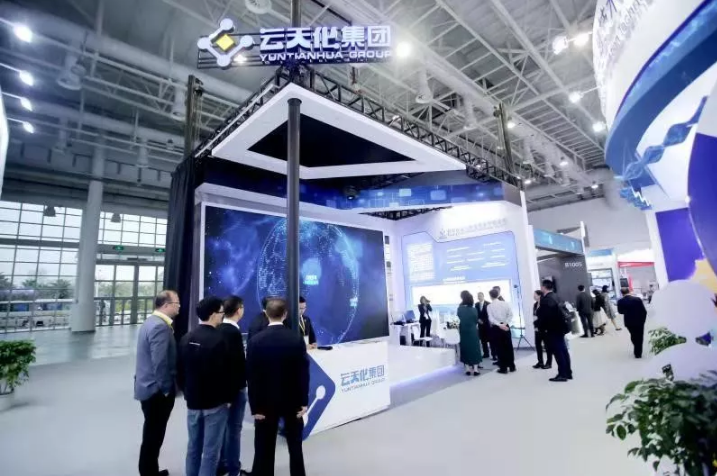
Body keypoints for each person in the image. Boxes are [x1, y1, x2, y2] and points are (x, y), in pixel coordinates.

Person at [247, 298, 309, 476]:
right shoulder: (296, 339)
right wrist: (303, 402)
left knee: (264, 447)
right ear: (285, 314)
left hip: (264, 403)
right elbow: (303, 373)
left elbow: (252, 376)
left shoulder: (255, 341)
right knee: (295, 446)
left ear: (266, 314)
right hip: (292, 401)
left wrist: (255, 407)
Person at [178, 297, 231, 476]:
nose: (222, 316)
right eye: (221, 312)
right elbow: (224, 374)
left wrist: (187, 392)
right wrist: (228, 398)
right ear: (214, 314)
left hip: (193, 402)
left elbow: (180, 371)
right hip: (215, 404)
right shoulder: (220, 340)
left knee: (193, 447)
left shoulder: (186, 338)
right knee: (210, 451)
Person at [135, 290, 181, 476]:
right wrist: (166, 389)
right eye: (177, 303)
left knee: (152, 434)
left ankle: (150, 471)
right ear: (166, 305)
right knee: (153, 436)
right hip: (156, 391)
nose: (179, 307)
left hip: (147, 387)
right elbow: (159, 362)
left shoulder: (151, 322)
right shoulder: (159, 327)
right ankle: (148, 472)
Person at [216, 296, 250, 476]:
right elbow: (235, 366)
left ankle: (222, 464)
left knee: (223, 429)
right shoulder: (233, 333)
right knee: (234, 430)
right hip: (234, 391)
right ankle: (233, 469)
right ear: (239, 310)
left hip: (223, 390)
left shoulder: (219, 329)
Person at [538, 280, 573, 382]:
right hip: (561, 327)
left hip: (553, 329)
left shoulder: (546, 300)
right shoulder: (557, 296)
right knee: (563, 350)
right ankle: (568, 372)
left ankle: (562, 374)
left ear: (544, 287)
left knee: (558, 352)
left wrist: (541, 328)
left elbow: (545, 316)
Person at [487, 288, 515, 374]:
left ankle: (503, 368)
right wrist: (504, 324)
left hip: (496, 328)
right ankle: (512, 366)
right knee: (509, 346)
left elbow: (491, 318)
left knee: (500, 348)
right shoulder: (505, 303)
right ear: (498, 295)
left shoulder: (489, 306)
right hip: (506, 326)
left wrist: (499, 325)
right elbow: (510, 315)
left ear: (490, 296)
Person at [617, 288, 648, 358]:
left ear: (622, 293)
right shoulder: (637, 299)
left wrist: (627, 311)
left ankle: (636, 347)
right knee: (639, 337)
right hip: (639, 321)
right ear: (629, 291)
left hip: (629, 322)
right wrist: (643, 320)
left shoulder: (620, 301)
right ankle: (638, 353)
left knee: (633, 335)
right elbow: (644, 311)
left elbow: (620, 311)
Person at [457, 291, 482, 375]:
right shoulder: (474, 309)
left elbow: (459, 317)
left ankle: (467, 369)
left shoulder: (460, 309)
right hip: (472, 331)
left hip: (463, 330)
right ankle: (475, 369)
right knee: (474, 349)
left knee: (465, 348)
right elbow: (476, 320)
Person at [532, 290, 552, 370]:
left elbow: (546, 317)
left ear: (539, 295)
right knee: (538, 345)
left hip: (545, 329)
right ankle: (540, 362)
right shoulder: (535, 304)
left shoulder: (544, 304)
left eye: (535, 295)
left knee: (547, 346)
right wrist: (535, 325)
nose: (533, 296)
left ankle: (549, 363)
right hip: (537, 329)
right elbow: (534, 316)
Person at [475, 292, 495, 361]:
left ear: (483, 296)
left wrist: (484, 321)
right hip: (480, 326)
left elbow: (490, 314)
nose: (479, 297)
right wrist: (478, 320)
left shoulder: (488, 303)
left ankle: (494, 354)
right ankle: (486, 354)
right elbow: (476, 314)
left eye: (480, 296)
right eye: (478, 296)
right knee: (483, 340)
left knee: (491, 340)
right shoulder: (476, 304)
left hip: (488, 325)